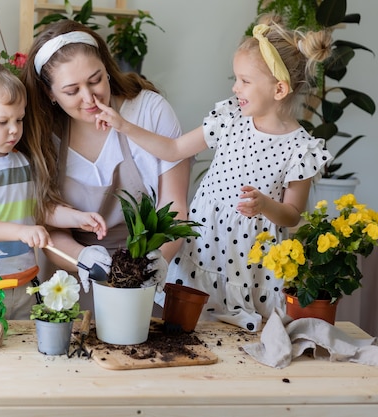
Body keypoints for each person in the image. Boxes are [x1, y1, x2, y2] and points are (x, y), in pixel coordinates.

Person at [94, 15, 334, 331]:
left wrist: (264, 205)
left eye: (245, 80)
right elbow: (174, 149)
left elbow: (291, 215)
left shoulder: (301, 149)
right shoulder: (229, 119)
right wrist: (123, 125)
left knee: (244, 338)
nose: (236, 87)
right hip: (204, 247)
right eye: (235, 78)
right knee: (189, 329)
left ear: (279, 89)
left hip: (252, 262)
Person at [20, 20, 191, 310]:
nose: (89, 98)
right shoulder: (42, 134)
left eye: (95, 79)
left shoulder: (148, 111)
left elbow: (174, 206)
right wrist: (83, 258)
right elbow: (49, 227)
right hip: (72, 283)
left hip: (146, 276)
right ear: (50, 93)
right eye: (72, 91)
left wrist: (160, 257)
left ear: (106, 69)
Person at [0, 60, 107, 319]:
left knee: (23, 348)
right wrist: (22, 231)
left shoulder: (21, 162)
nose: (14, 129)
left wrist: (76, 218)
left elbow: (38, 210)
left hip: (23, 282)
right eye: (2, 121)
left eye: (19, 119)